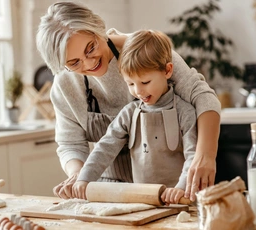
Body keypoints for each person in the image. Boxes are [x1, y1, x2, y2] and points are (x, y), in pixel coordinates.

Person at [36, 1, 220, 202]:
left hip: (170, 190)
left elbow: (202, 96)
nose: (89, 63)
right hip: (109, 192)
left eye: (90, 47)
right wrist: (79, 175)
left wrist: (205, 155)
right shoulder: (65, 84)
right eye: (74, 62)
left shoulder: (144, 49)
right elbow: (70, 143)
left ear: (97, 27)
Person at [72, 29, 196, 204]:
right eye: (130, 83)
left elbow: (194, 156)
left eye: (145, 82)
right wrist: (84, 178)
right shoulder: (129, 113)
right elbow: (105, 147)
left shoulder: (185, 112)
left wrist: (180, 188)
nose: (138, 91)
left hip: (181, 200)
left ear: (167, 71)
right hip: (144, 202)